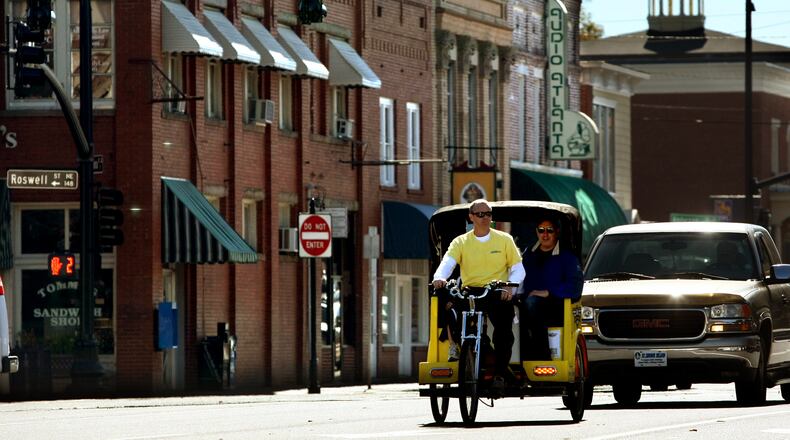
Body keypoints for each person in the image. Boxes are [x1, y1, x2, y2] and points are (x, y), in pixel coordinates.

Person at [432, 199, 525, 388]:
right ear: (471, 217)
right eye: (480, 214)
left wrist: (510, 288)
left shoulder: (504, 239)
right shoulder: (461, 241)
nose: (485, 218)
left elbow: (518, 269)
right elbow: (447, 263)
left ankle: (499, 374)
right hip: (471, 291)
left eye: (489, 214)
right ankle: (460, 348)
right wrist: (439, 277)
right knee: (451, 311)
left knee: (504, 333)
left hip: (496, 290)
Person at [519, 217, 583, 360]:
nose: (545, 234)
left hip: (556, 304)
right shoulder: (528, 255)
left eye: (550, 230)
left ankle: (541, 357)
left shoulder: (567, 257)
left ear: (557, 232)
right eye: (541, 230)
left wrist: (549, 292)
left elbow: (575, 286)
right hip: (528, 302)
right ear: (536, 232)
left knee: (531, 304)